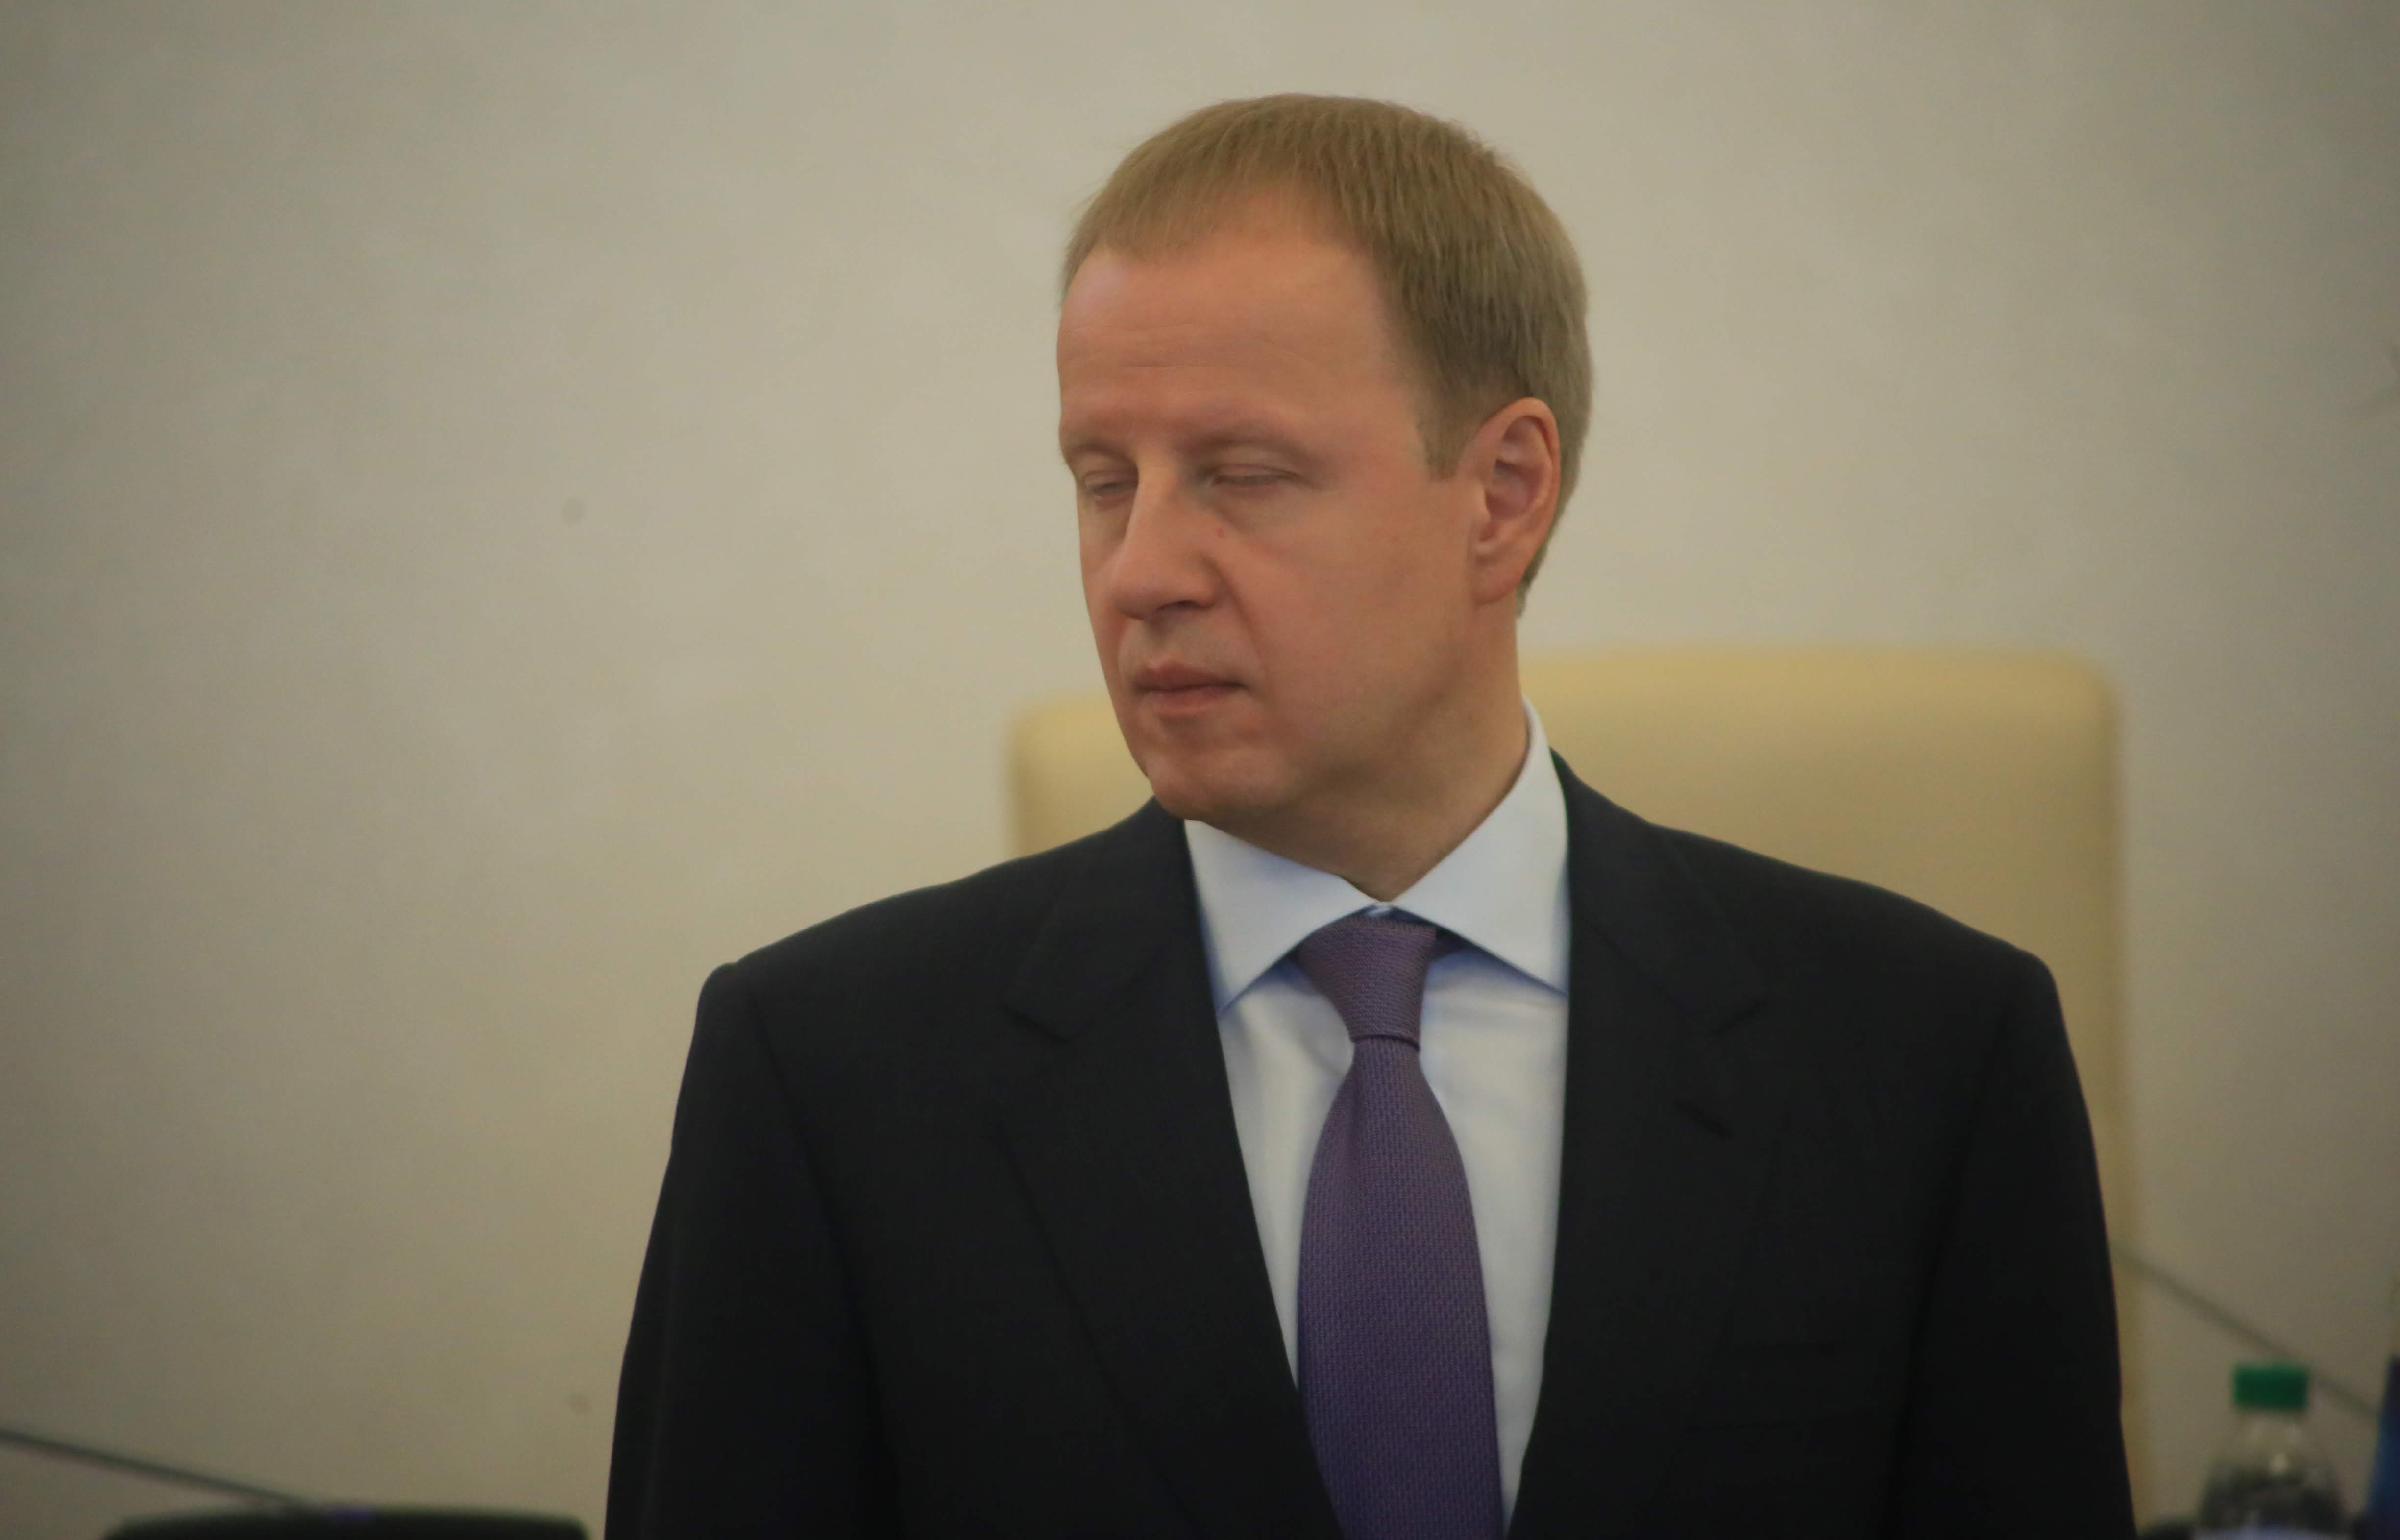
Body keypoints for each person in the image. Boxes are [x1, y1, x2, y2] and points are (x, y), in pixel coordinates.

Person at [607, 95, 2135, 1539]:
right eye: (1103, 479)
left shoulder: (1924, 1056)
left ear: (1502, 492)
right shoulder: (826, 1072)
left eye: (1241, 474)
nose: (1140, 571)